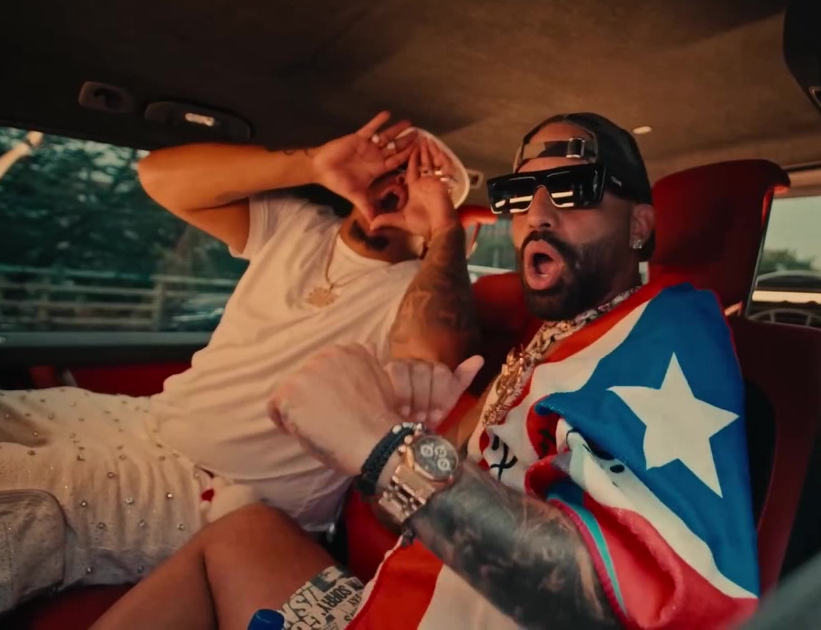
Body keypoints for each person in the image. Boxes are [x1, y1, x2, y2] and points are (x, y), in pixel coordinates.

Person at [90, 112, 761, 630]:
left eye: (570, 188)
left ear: (640, 225)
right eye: (518, 194)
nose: (536, 214)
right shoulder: (549, 343)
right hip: (396, 603)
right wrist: (416, 438)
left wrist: (382, 446)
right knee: (244, 534)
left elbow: (641, 603)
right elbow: (416, 514)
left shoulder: (670, 325)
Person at [0, 112, 480, 630]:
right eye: (393, 166)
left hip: (218, 495)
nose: (400, 184)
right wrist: (312, 164)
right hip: (146, 423)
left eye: (426, 182)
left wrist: (443, 231)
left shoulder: (421, 288)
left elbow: (428, 355)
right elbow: (159, 177)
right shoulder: (299, 227)